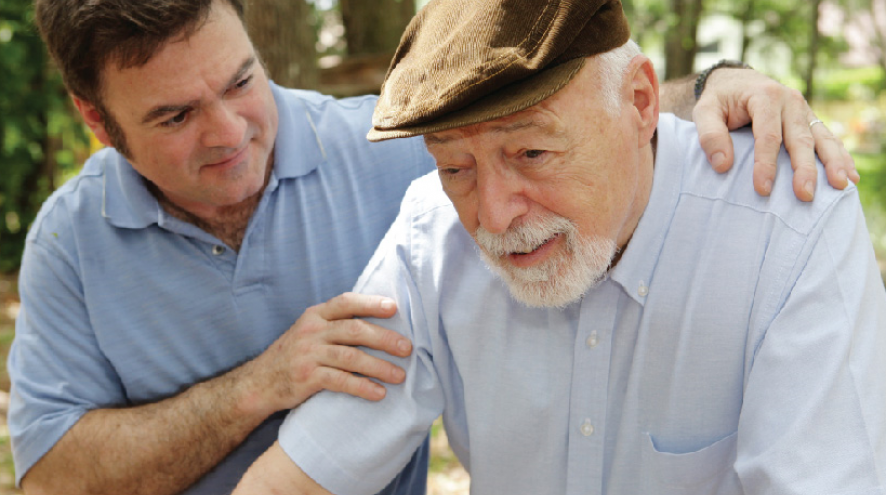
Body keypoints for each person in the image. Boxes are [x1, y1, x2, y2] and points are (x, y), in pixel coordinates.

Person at [10, 0, 860, 494]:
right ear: (99, 120)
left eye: (240, 81)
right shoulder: (427, 217)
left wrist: (720, 85)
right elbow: (50, 475)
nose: (491, 213)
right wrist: (257, 384)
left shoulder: (786, 224)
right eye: (453, 166)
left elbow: (578, 88)